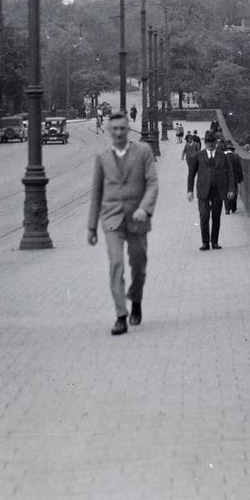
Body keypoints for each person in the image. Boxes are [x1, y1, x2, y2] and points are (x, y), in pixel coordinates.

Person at [87, 111, 157, 335]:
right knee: (115, 263)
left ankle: (136, 300)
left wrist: (144, 209)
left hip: (137, 217)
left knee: (138, 264)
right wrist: (91, 226)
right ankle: (120, 315)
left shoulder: (143, 151)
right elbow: (96, 191)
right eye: (114, 129)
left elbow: (152, 183)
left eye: (122, 129)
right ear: (108, 131)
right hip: (111, 218)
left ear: (128, 129)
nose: (118, 133)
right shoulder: (102, 156)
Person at [187, 134, 232, 250]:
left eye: (212, 141)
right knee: (204, 215)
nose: (210, 144)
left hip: (218, 190)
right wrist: (190, 190)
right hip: (203, 190)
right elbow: (191, 174)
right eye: (208, 141)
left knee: (216, 216)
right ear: (205, 142)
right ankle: (205, 242)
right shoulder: (198, 156)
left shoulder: (222, 156)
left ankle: (215, 242)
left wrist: (231, 189)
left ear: (216, 143)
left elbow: (230, 173)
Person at [224, 142, 244, 214]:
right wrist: (240, 178)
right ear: (232, 150)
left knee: (226, 192)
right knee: (234, 192)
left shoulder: (224, 157)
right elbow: (239, 168)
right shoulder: (236, 157)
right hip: (234, 177)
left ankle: (227, 208)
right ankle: (233, 207)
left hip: (225, 178)